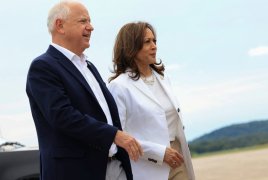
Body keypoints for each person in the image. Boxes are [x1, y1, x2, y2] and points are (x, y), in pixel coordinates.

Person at [26, 1, 142, 180]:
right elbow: (62, 116)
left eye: (90, 21)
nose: (91, 27)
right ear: (60, 25)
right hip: (75, 172)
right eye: (83, 21)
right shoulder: (43, 67)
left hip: (114, 166)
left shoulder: (89, 66)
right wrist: (113, 135)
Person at [108, 22, 195, 180]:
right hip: (145, 165)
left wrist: (172, 150)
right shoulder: (118, 87)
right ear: (131, 47)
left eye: (154, 41)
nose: (154, 46)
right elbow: (118, 136)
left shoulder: (163, 78)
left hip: (177, 156)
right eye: (147, 42)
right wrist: (159, 152)